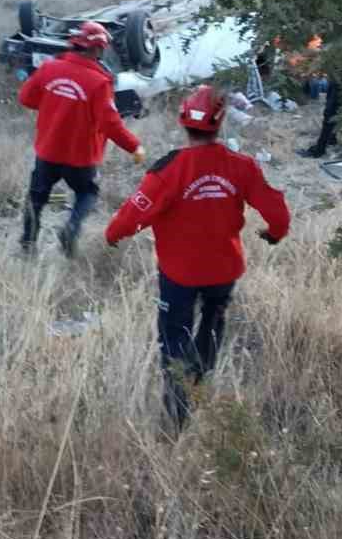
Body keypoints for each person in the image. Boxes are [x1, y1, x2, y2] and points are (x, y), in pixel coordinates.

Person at [105, 84, 291, 428]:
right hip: (224, 270)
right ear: (220, 124)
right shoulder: (242, 166)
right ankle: (200, 382)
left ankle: (177, 413)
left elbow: (133, 214)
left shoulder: (168, 170)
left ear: (182, 121)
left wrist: (113, 234)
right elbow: (277, 211)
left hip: (179, 275)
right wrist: (275, 234)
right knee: (212, 325)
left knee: (175, 337)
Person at [18, 20, 146, 257]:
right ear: (97, 49)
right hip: (81, 157)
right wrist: (134, 146)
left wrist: (53, 105)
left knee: (36, 197)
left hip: (48, 151)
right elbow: (110, 124)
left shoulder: (49, 69)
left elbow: (26, 98)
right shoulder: (99, 83)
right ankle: (71, 229)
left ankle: (27, 246)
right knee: (87, 193)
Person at [297, 76, 342, 159]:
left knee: (330, 114)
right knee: (332, 112)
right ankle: (332, 139)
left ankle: (319, 150)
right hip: (337, 79)